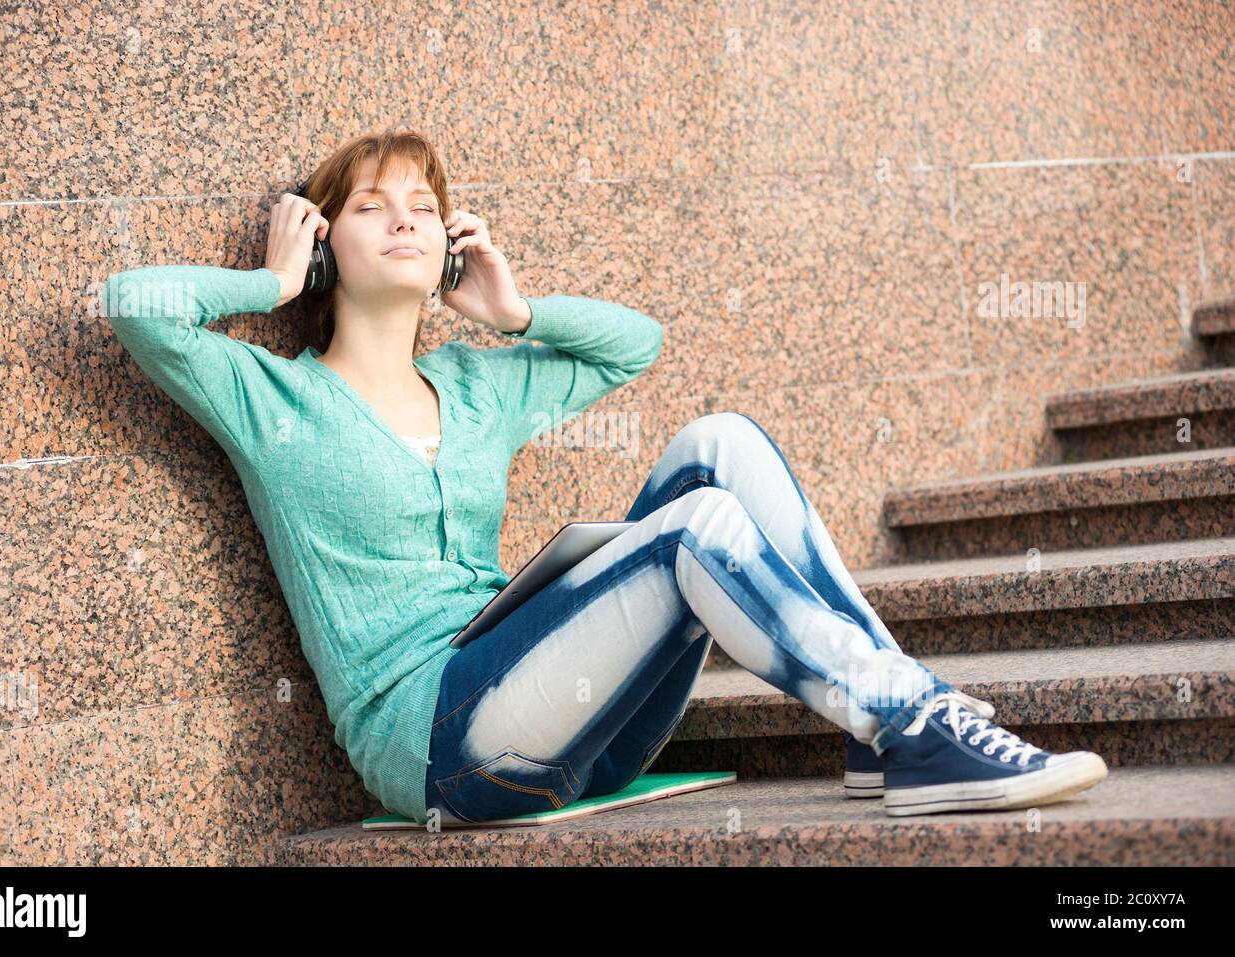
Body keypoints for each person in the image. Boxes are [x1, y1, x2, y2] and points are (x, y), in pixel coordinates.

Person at [103, 128, 1108, 828]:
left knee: (719, 443)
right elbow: (138, 307)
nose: (406, 220)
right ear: (327, 240)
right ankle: (910, 726)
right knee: (694, 529)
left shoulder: (474, 384)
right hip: (446, 749)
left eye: (425, 206)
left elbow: (635, 347)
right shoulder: (270, 399)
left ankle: (887, 726)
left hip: (580, 725)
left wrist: (513, 313)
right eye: (373, 206)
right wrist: (273, 284)